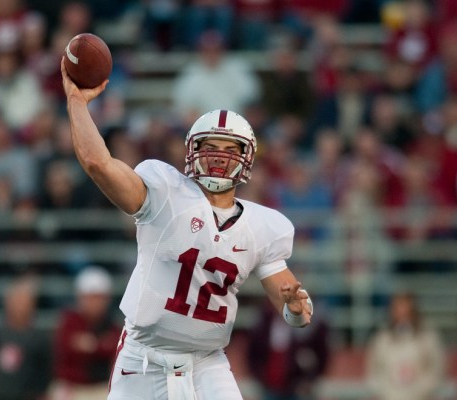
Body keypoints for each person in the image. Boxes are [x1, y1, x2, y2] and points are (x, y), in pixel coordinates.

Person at [61, 57, 313, 399]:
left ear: (247, 158)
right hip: (143, 359)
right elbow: (97, 163)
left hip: (207, 362)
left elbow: (293, 310)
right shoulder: (164, 191)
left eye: (229, 149)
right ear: (193, 151)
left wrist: (296, 308)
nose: (220, 156)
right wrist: (77, 102)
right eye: (210, 147)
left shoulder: (264, 225)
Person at [51, 266, 122, 400]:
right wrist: (101, 345)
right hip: (72, 387)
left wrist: (91, 345)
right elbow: (64, 350)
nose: (94, 303)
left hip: (101, 387)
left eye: (98, 297)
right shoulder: (69, 322)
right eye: (90, 297)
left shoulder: (113, 326)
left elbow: (115, 352)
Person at [0, 277, 52, 400]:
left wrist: (35, 390)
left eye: (24, 302)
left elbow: (47, 369)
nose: (20, 307)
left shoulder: (40, 338)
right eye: (17, 301)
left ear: (32, 305)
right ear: (7, 303)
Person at [366, 291, 446, 400]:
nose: (402, 314)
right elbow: (373, 370)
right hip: (389, 395)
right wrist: (387, 390)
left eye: (406, 309)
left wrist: (421, 389)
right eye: (398, 309)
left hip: (421, 395)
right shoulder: (382, 338)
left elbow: (437, 368)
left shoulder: (428, 336)